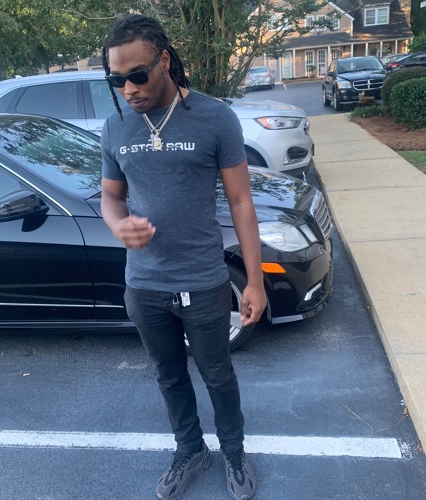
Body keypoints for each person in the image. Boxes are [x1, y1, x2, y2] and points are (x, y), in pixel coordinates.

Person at [100, 14, 267, 500]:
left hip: (204, 280)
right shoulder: (115, 126)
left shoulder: (214, 118)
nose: (128, 89)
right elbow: (110, 197)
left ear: (165, 61)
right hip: (144, 284)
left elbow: (241, 202)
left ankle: (233, 453)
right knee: (169, 376)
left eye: (137, 75)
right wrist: (117, 224)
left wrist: (254, 281)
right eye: (117, 79)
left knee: (218, 375)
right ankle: (190, 450)